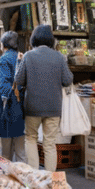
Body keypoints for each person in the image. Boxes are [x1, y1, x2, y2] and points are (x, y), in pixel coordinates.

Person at [15, 25, 73, 172]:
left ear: (34, 38)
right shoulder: (59, 56)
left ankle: (34, 174)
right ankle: (50, 178)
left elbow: (19, 80)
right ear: (51, 39)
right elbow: (67, 80)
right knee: (50, 143)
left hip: (33, 106)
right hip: (53, 106)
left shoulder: (28, 55)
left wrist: (19, 63)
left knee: (31, 138)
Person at [0, 31, 26, 162]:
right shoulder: (20, 57)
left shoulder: (4, 59)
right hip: (20, 107)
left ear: (4, 44)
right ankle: (23, 178)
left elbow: (5, 87)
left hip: (8, 108)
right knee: (20, 150)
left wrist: (5, 105)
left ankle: (6, 177)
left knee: (5, 153)